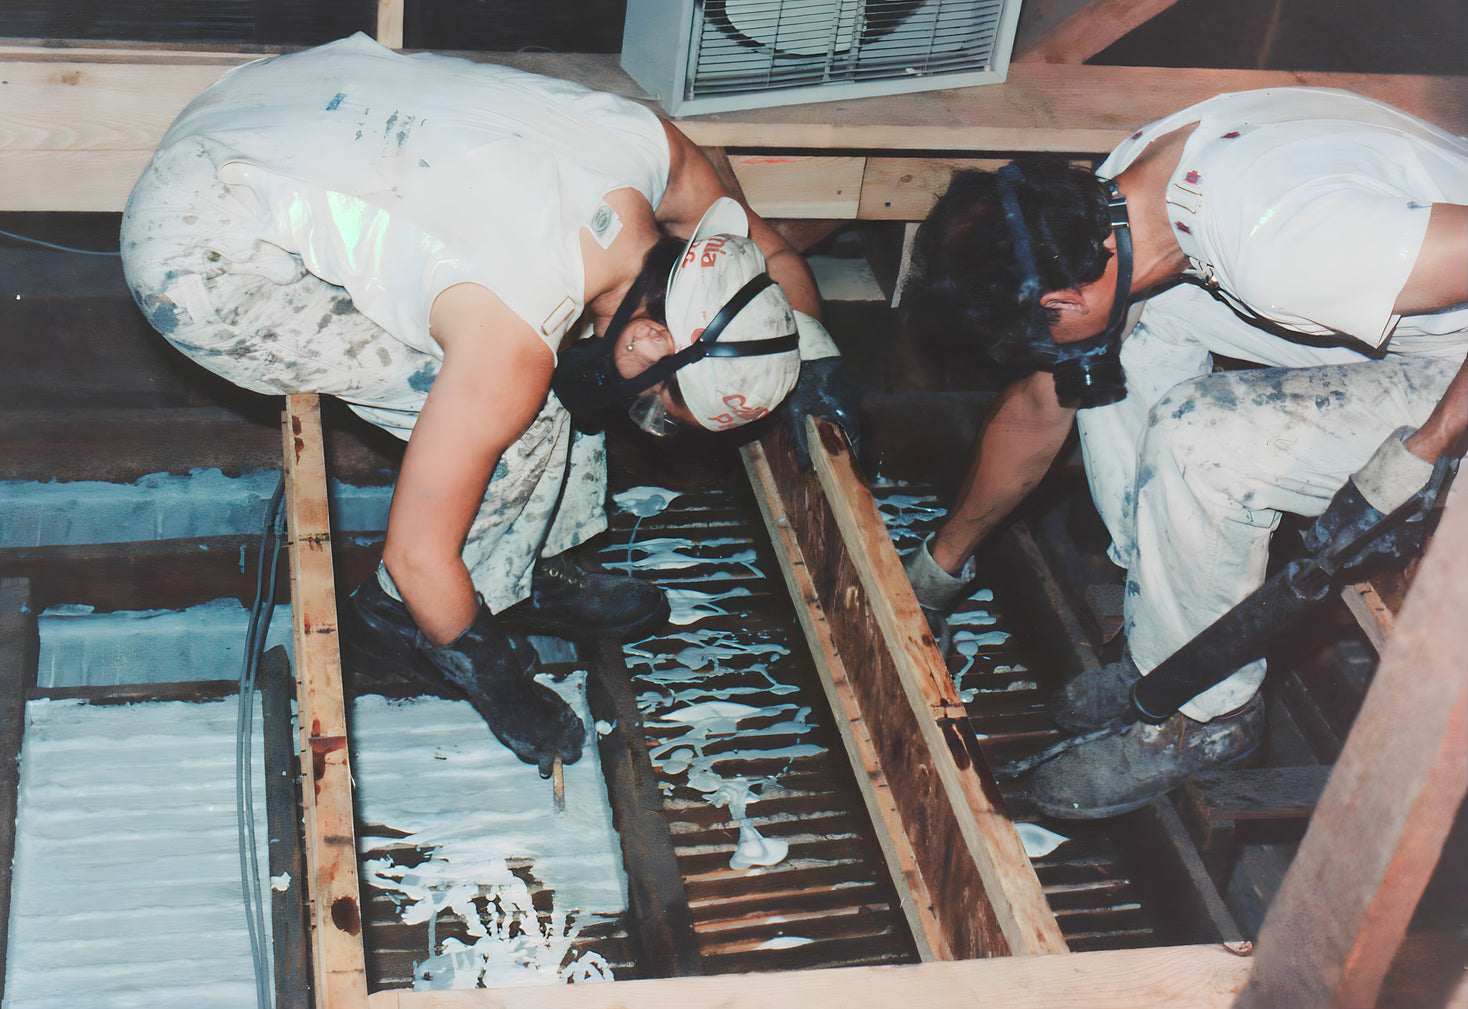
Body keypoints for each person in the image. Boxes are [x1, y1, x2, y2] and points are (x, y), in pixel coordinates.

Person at [121, 34, 858, 777]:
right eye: (662, 402)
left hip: (283, 101)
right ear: (647, 339)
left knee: (553, 371)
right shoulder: (512, 333)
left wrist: (817, 362)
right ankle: (397, 622)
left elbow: (776, 254)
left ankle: (519, 563)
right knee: (528, 419)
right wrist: (496, 680)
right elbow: (417, 552)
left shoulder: (653, 153)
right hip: (199, 247)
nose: (651, 417)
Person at [900, 86, 1467, 819]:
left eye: (1033, 336)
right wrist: (939, 566)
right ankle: (1167, 646)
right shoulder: (1126, 197)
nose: (1036, 356)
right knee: (1129, 341)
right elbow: (1045, 403)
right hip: (1412, 299)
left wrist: (1425, 445)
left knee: (1201, 439)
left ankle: (1206, 719)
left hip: (1453, 368)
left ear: (1060, 303)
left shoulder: (1285, 240)